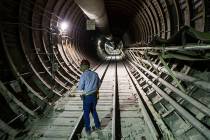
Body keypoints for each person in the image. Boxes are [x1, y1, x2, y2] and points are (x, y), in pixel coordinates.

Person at [77, 59, 101, 135]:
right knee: (94, 110)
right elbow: (99, 84)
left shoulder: (83, 75)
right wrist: (94, 88)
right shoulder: (95, 74)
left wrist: (82, 93)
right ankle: (98, 126)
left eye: (81, 66)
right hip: (95, 95)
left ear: (84, 66)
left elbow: (80, 87)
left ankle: (88, 129)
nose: (80, 67)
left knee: (86, 113)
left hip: (87, 97)